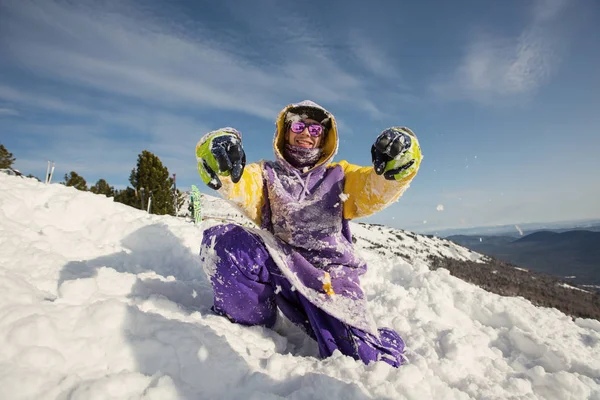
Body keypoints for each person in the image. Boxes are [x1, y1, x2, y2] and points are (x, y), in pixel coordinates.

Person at [195, 100, 422, 367]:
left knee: (367, 361)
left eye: (315, 130)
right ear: (285, 131)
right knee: (225, 245)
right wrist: (220, 161)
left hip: (330, 277)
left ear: (324, 139)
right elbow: (240, 184)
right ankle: (251, 329)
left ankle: (372, 337)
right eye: (299, 125)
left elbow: (374, 187)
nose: (305, 133)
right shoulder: (266, 175)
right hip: (280, 262)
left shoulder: (340, 176)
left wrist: (399, 164)